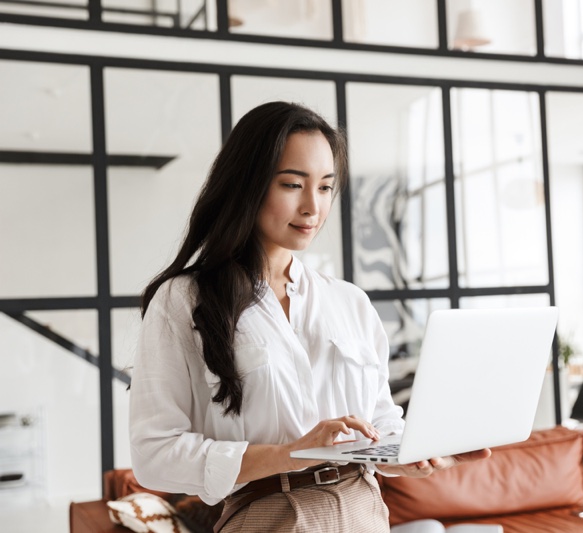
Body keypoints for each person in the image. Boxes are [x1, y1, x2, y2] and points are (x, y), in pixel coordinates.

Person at [129, 101, 490, 532]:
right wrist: (292, 452)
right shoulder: (183, 301)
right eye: (292, 184)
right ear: (248, 185)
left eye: (324, 187)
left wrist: (412, 455)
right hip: (271, 515)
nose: (312, 208)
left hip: (365, 511)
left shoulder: (349, 302)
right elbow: (154, 456)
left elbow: (380, 422)